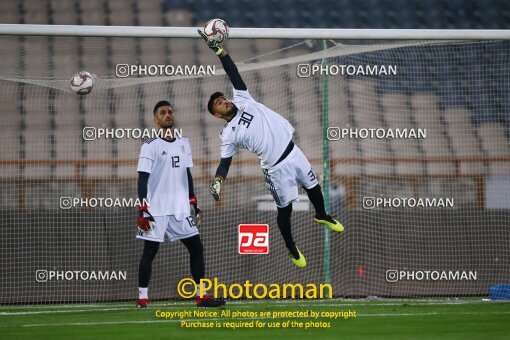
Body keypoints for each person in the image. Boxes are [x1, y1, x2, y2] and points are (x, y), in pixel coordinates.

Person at [198, 30, 345, 268]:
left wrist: (218, 50)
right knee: (284, 208)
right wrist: (217, 182)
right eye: (219, 103)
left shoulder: (243, 99)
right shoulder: (228, 135)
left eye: (223, 98)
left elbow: (232, 71)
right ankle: (291, 247)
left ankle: (322, 215)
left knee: (314, 184)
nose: (225, 101)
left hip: (292, 149)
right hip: (275, 167)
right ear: (217, 114)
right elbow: (225, 163)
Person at [136, 100, 225, 308]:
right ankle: (142, 298)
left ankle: (202, 296)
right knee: (150, 251)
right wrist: (143, 209)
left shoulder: (184, 142)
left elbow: (187, 173)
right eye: (162, 113)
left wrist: (193, 201)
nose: (168, 115)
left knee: (197, 248)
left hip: (179, 209)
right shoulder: (150, 146)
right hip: (156, 209)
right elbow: (142, 179)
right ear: (155, 119)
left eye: (170, 112)